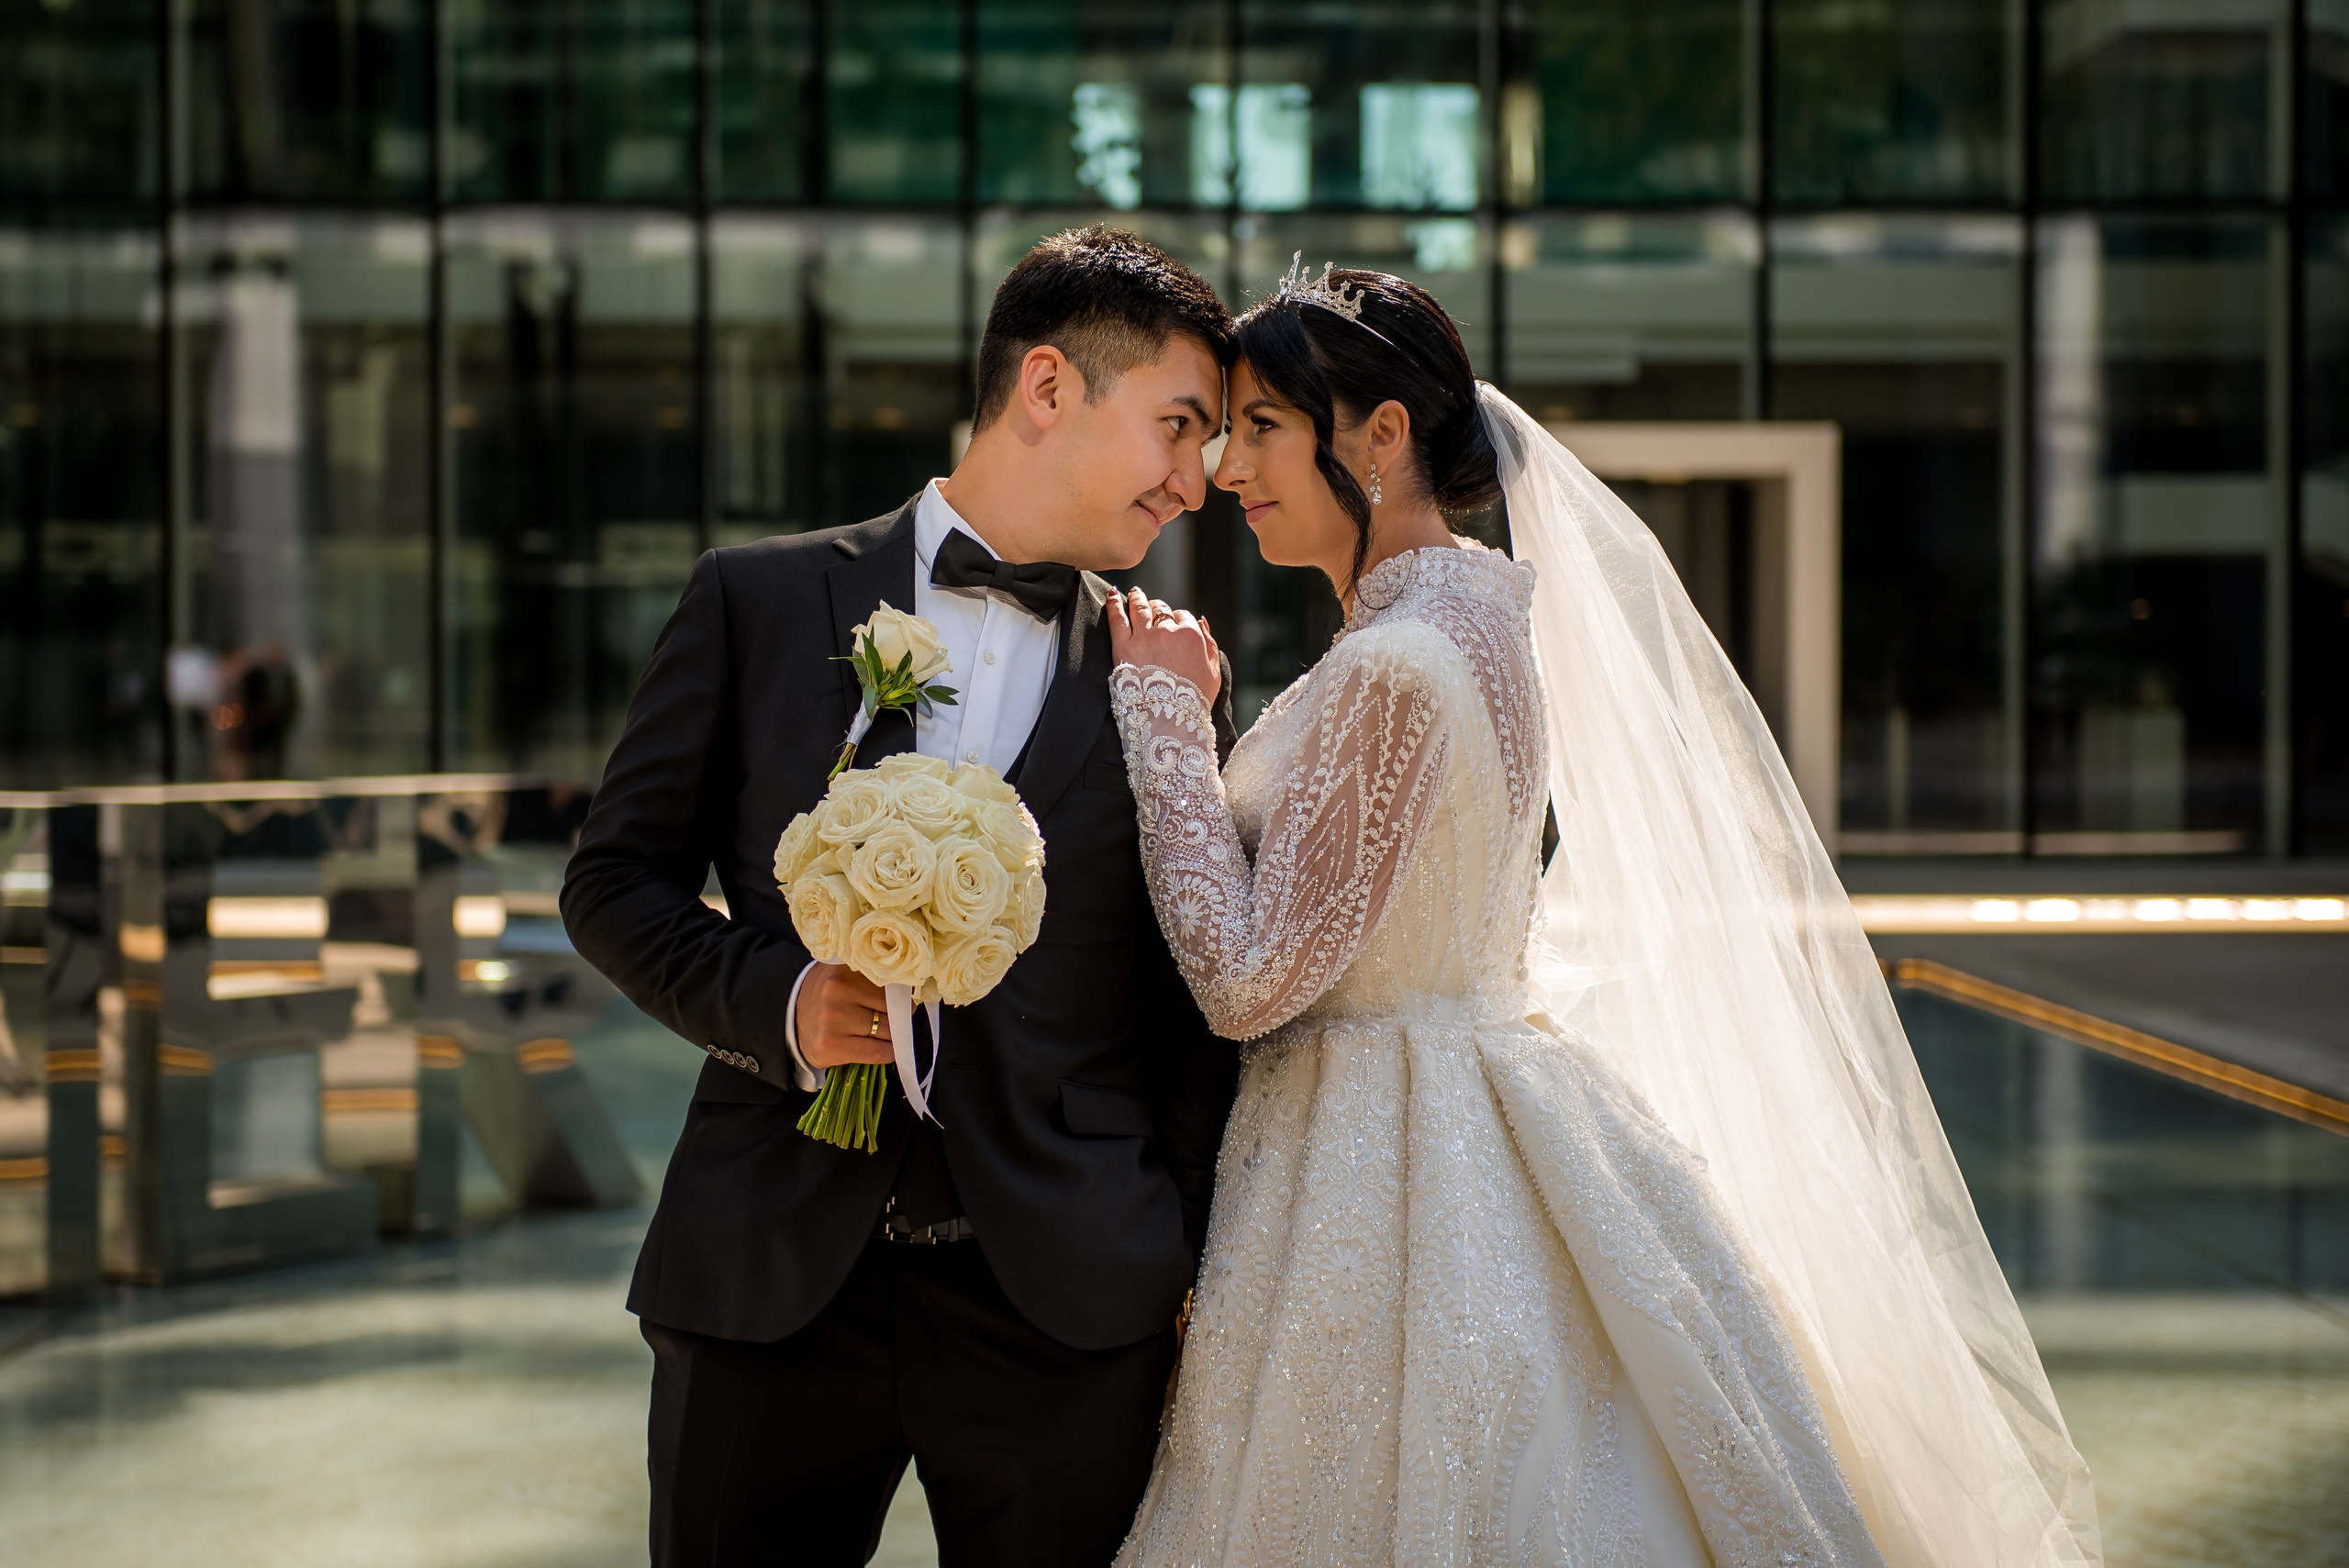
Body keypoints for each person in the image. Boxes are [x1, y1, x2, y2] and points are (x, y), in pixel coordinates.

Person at [1104, 260, 2103, 1566]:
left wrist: (1168, 725)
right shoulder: (1474, 613)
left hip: (1375, 1152)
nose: (1230, 469)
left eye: (1266, 430)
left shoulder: (1397, 663)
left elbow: (1247, 983)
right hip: (1470, 1096)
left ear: (1383, 436)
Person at [561, 227, 1242, 1567]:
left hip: (1064, 1299)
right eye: (1178, 426)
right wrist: (781, 1002)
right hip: (766, 1280)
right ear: (1048, 387)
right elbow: (611, 881)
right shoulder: (754, 600)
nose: (1195, 483)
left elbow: (1190, 997)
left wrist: (1179, 1254)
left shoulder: (1169, 681)